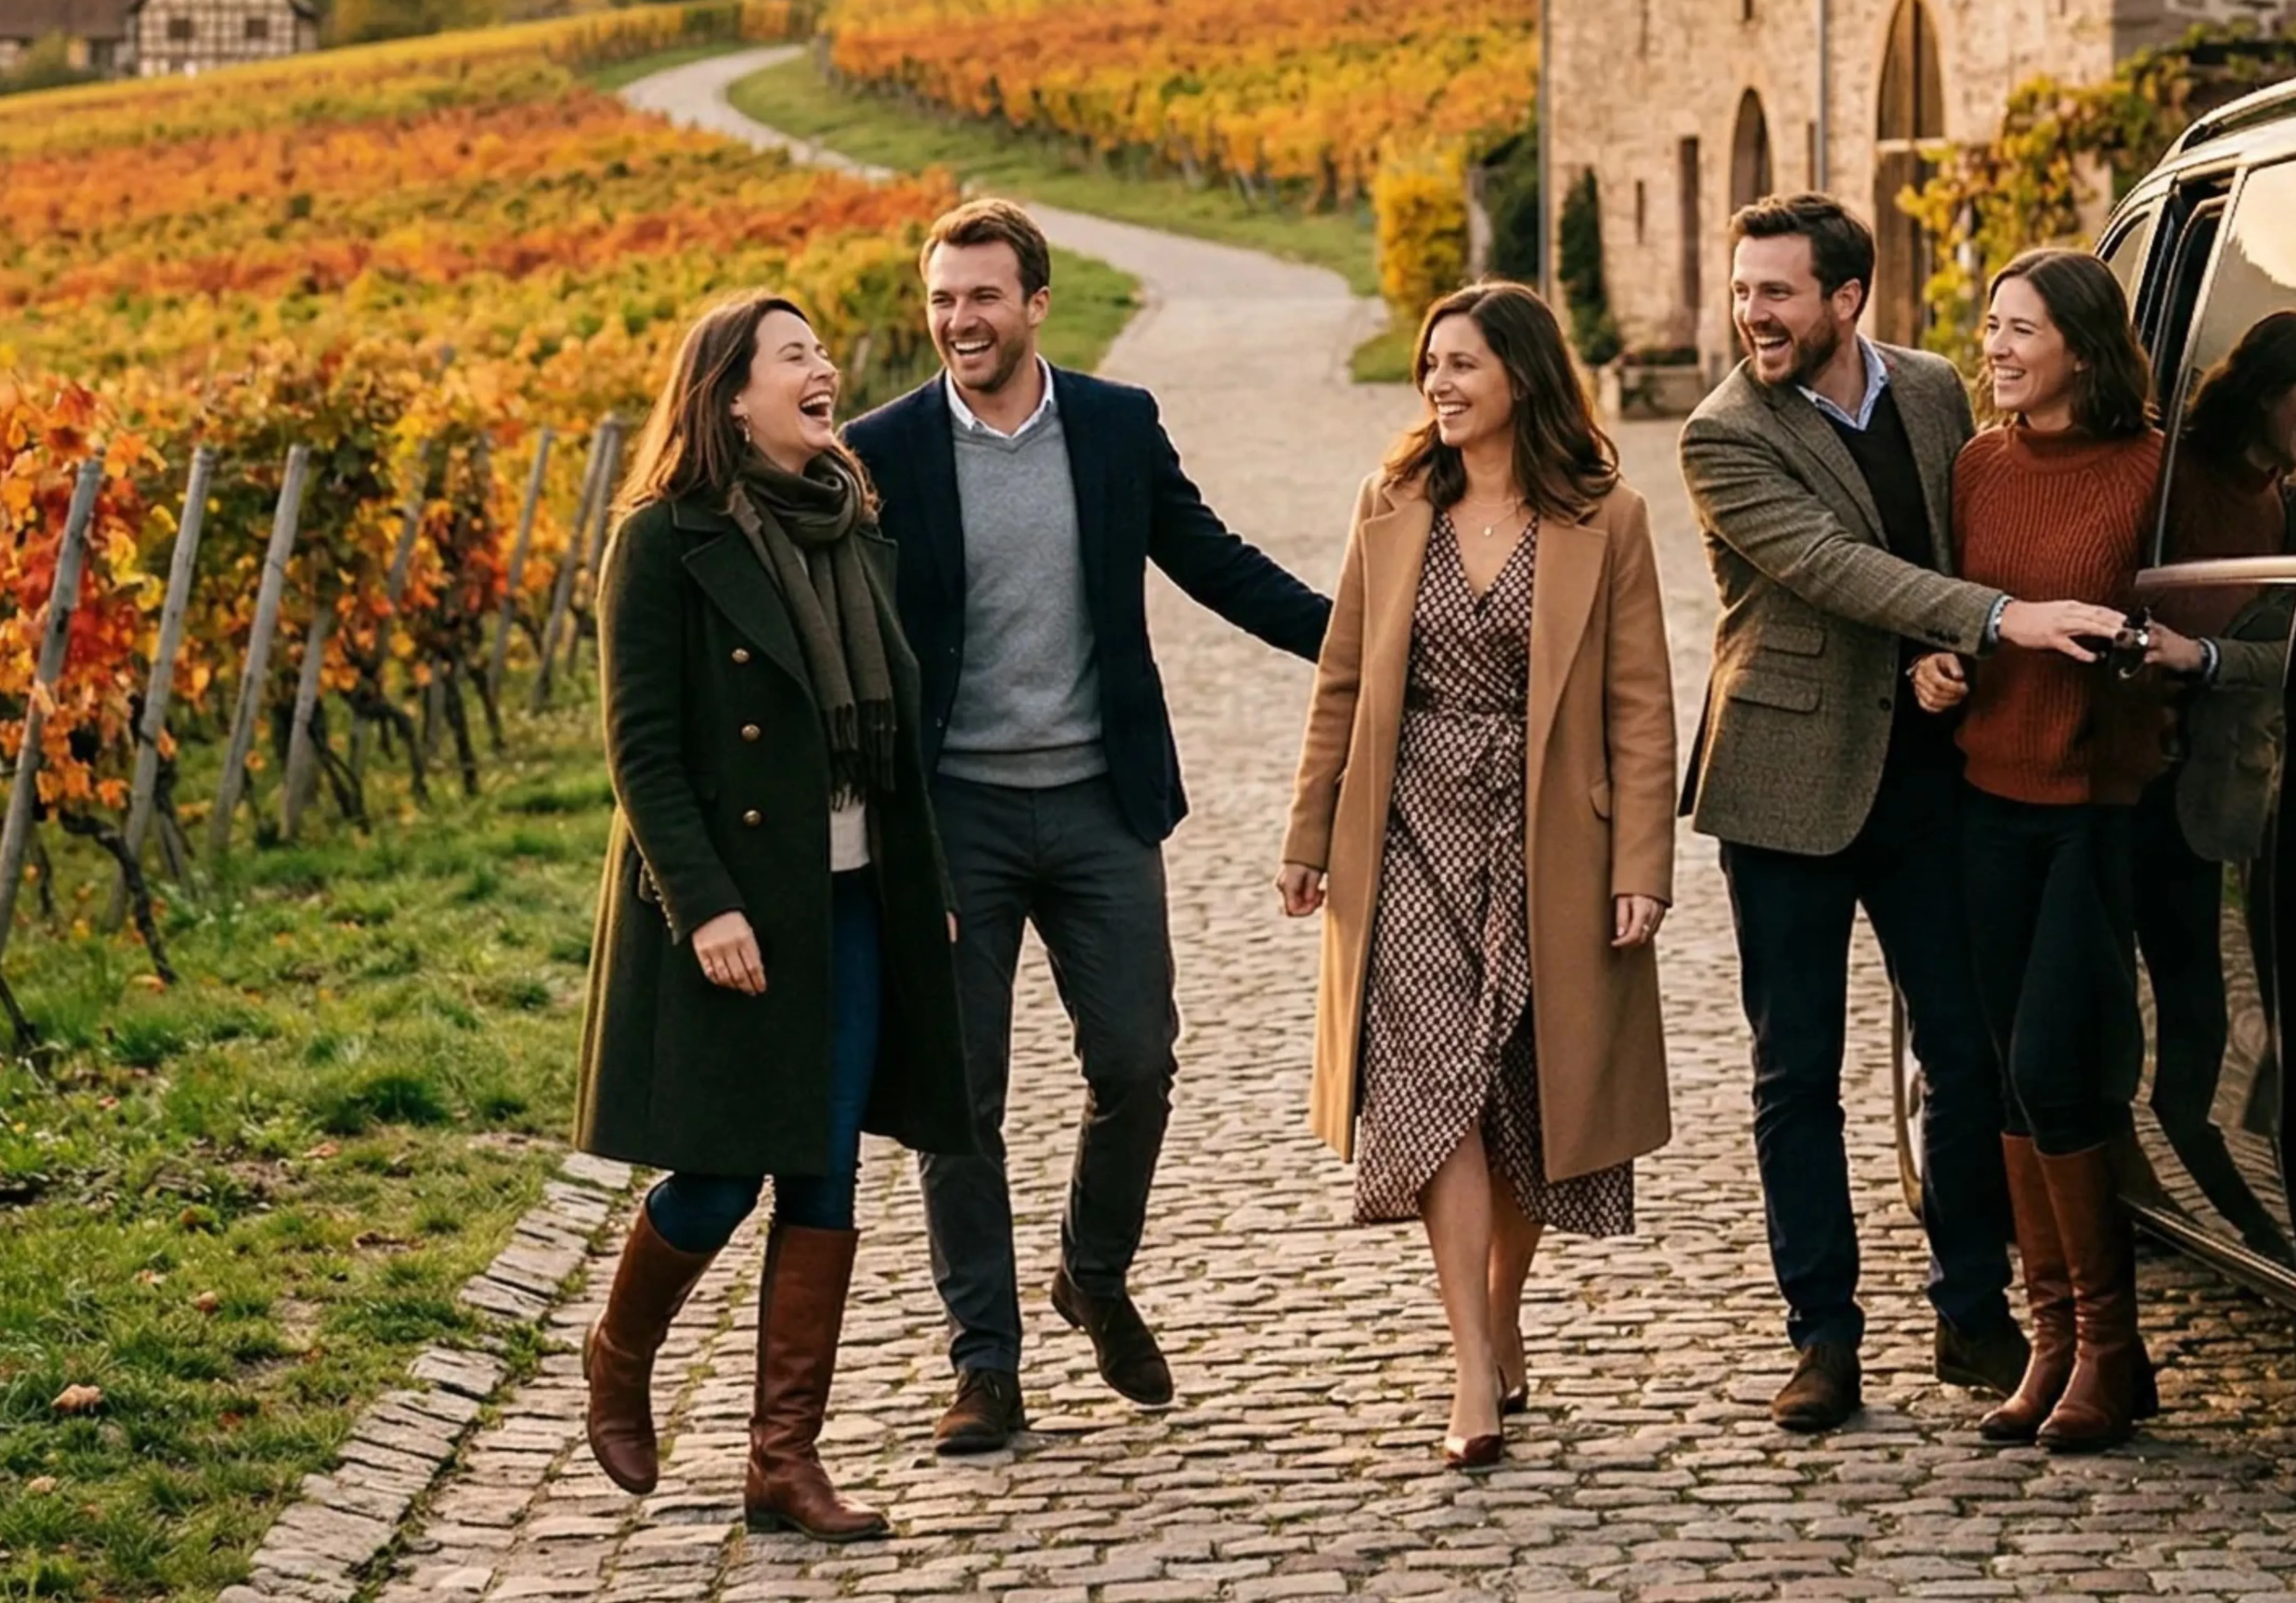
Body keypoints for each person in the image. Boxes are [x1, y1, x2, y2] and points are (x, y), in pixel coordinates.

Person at [840, 198, 1332, 1456]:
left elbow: (1213, 561)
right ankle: (985, 1365)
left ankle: (1091, 1271)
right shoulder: (880, 452)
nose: (960, 321)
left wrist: (1359, 642)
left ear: (1036, 304)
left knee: (1136, 1062)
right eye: (943, 299)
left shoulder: (1114, 428)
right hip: (955, 819)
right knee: (962, 1101)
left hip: (1101, 801)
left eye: (983, 297)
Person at [574, 292, 973, 1543]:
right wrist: (704, 905)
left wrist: (930, 896)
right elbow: (641, 750)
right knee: (716, 1170)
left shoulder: (850, 520)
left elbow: (893, 740)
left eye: (819, 353)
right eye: (793, 355)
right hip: (735, 903)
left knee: (828, 1165)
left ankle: (781, 1460)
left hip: (854, 895)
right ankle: (619, 1350)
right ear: (730, 392)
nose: (824, 369)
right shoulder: (662, 540)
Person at [1280, 282, 1676, 1468]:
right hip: (1406, 829)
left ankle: (1502, 1311)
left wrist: (1640, 862)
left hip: (1551, 830)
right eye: (1430, 367)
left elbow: (1642, 705)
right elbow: (1342, 679)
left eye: (1462, 365)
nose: (1440, 386)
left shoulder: (1607, 516)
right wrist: (1309, 835)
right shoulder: (1391, 502)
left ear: (1522, 377)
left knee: (1523, 1094)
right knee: (1434, 1084)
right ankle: (1468, 1364)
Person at [1676, 190, 2031, 1437]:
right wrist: (1972, 623)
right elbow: (1832, 569)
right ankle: (1822, 1338)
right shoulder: (1724, 433)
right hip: (1784, 779)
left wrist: (1958, 662)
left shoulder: (1932, 388)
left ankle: (1972, 1306)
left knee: (1965, 1047)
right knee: (1797, 1075)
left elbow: (1966, 531)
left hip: (1930, 767)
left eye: (1774, 292)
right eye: (1739, 291)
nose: (1749, 316)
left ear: (1844, 299)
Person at [1909, 247, 2217, 1454]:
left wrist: (2154, 669)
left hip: (2101, 807)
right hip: (1985, 796)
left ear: (2080, 350)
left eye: (2018, 331)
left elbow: (2205, 628)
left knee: (2058, 1068)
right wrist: (1938, 667)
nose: (1992, 347)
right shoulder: (1978, 466)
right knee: (1996, 1068)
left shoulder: (2151, 474)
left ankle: (2110, 1342)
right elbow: (1960, 608)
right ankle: (2053, 1345)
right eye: (1990, 326)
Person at [2134, 310, 2296, 1254]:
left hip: (2217, 785)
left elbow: (2274, 647)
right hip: (2135, 770)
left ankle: (2212, 1182)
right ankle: (2173, 1177)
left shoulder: (2277, 500)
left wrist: (2212, 657)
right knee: (2160, 997)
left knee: (2208, 1002)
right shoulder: (2174, 478)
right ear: (2267, 388)